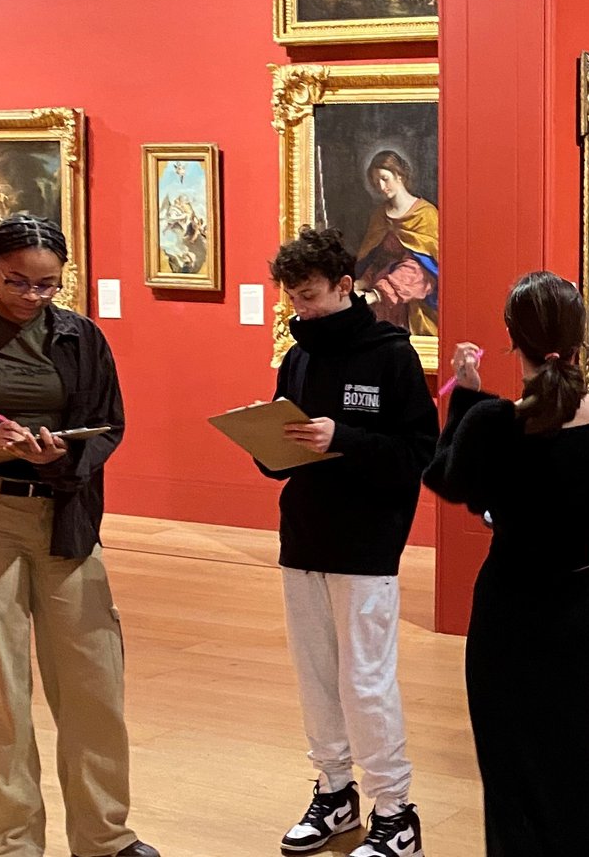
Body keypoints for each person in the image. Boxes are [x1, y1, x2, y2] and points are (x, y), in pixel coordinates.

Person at [0, 214, 156, 857]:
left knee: (94, 683)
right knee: (1, 691)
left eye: (48, 286)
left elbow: (107, 426)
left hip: (64, 522)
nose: (34, 297)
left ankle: (104, 837)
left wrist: (58, 458)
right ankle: (11, 844)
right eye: (19, 283)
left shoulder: (82, 339)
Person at [423, 271, 589, 856]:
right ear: (577, 340)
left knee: (512, 772)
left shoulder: (494, 423)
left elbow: (447, 478)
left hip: (510, 611)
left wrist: (464, 396)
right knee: (581, 765)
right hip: (579, 605)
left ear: (512, 340)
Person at [260, 227, 438, 857]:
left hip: (367, 540)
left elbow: (420, 452)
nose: (300, 311)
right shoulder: (298, 357)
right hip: (303, 534)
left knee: (365, 680)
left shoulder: (393, 355)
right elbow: (281, 453)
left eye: (309, 298)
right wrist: (269, 444)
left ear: (344, 286)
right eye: (292, 301)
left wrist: (343, 438)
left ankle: (396, 810)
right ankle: (335, 792)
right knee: (315, 676)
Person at [354, 149, 439, 339]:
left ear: (399, 175)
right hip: (381, 307)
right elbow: (376, 260)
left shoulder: (426, 215)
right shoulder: (379, 216)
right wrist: (363, 281)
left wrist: (378, 293)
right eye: (376, 182)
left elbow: (423, 270)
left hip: (415, 305)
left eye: (385, 178)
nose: (381, 186)